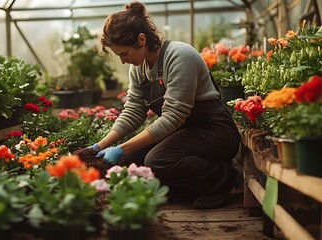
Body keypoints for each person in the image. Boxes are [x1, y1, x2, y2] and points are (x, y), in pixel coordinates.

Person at [89, 1, 241, 209]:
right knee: (132, 160)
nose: (123, 61)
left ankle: (222, 177)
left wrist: (121, 148)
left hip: (214, 130)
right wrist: (100, 146)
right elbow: (133, 110)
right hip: (186, 131)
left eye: (124, 53)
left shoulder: (180, 56)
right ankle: (191, 187)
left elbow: (173, 117)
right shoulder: (139, 68)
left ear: (141, 40)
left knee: (157, 160)